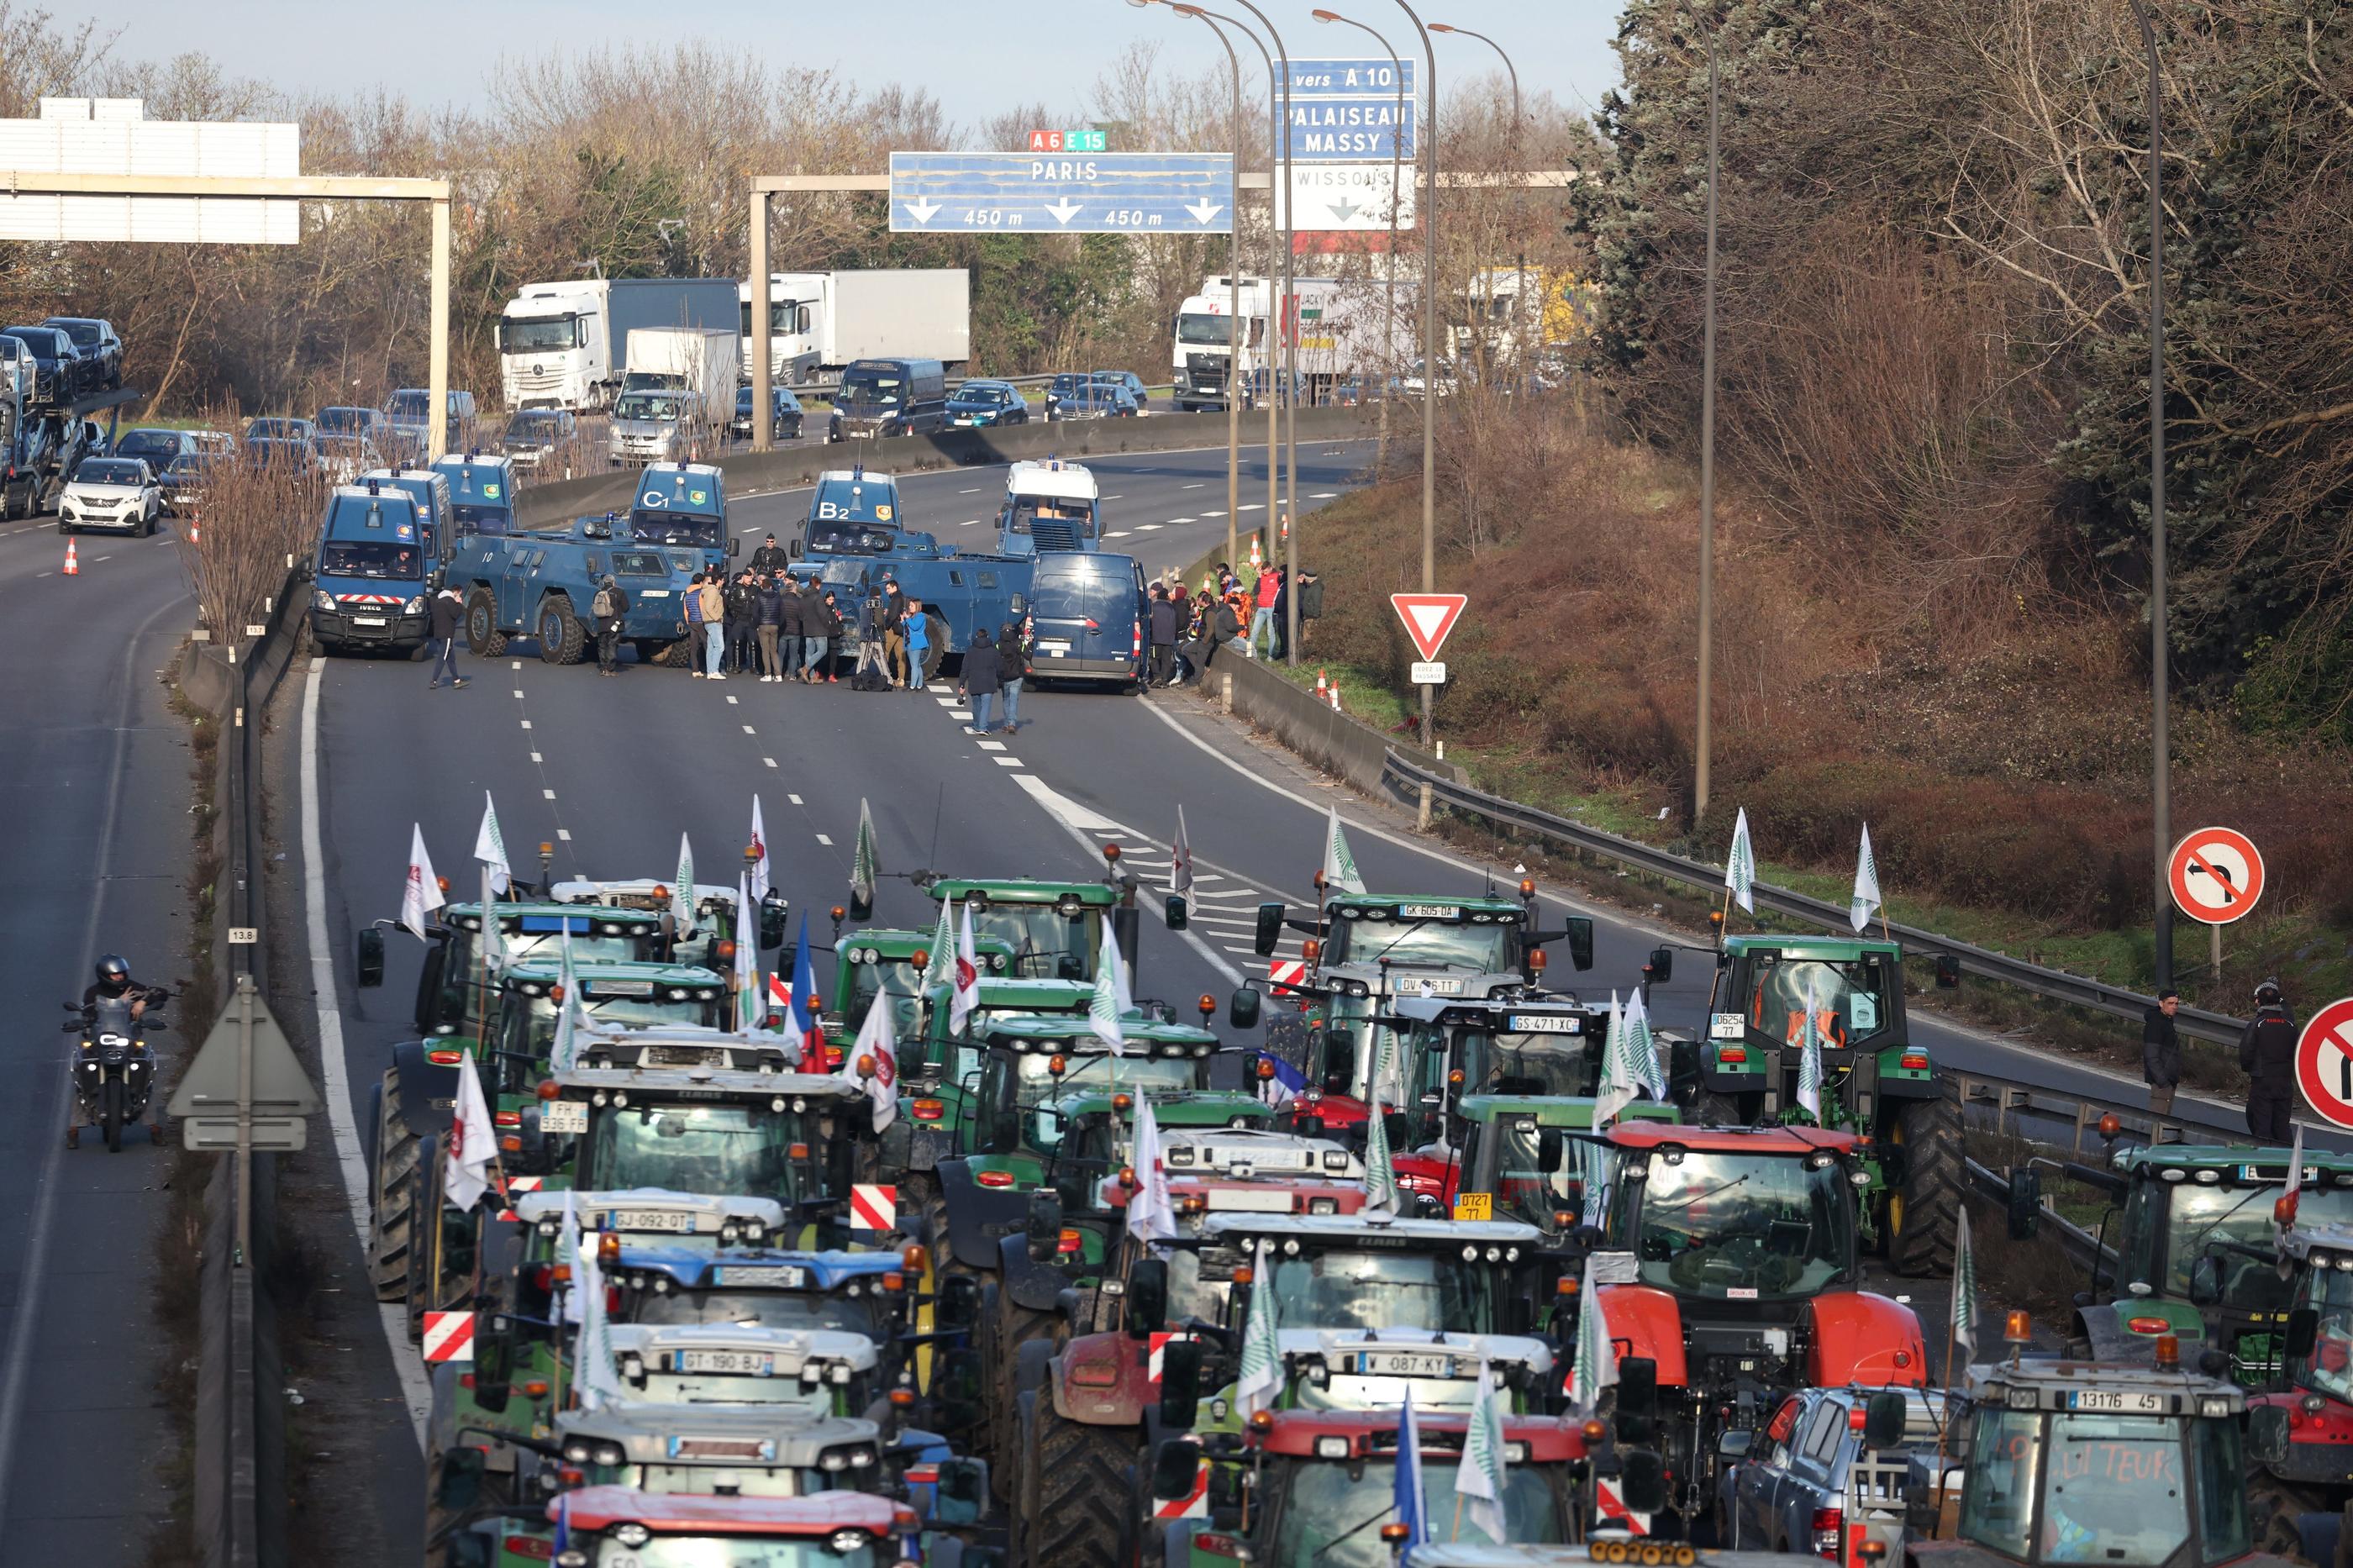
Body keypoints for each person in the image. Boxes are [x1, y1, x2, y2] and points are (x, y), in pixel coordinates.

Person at [71, 955, 156, 1148]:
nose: (120, 977)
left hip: (127, 1041)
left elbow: (159, 992)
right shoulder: (93, 992)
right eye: (115, 974)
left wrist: (144, 1001)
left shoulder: (131, 987)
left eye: (122, 973)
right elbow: (89, 1012)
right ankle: (74, 1129)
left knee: (145, 1073)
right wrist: (120, 1001)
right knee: (83, 1074)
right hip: (99, 1042)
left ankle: (154, 1127)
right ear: (104, 975)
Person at [2240, 979, 2298, 1142]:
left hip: (2262, 1081)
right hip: (2285, 1082)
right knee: (2282, 1126)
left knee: (2261, 1127)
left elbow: (2246, 1053)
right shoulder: (2291, 1025)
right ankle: (2289, 1162)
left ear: (2259, 1001)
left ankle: (2264, 1164)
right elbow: (2298, 1052)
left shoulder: (2257, 1024)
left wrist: (2249, 1069)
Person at [2142, 988, 2182, 1118]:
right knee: (2157, 1122)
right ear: (2161, 1004)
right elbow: (2151, 1056)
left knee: (2164, 1121)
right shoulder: (2156, 1024)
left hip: (2168, 1080)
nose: (2174, 1007)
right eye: (2170, 1003)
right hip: (2161, 1082)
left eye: (2176, 1003)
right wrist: (2163, 1081)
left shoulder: (2167, 1021)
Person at [962, 627, 1003, 734]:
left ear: (976, 636)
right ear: (988, 637)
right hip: (989, 683)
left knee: (976, 706)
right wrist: (1000, 680)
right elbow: (999, 668)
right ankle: (983, 728)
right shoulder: (994, 651)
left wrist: (961, 684)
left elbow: (965, 669)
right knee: (986, 705)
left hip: (974, 682)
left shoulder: (970, 650)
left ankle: (976, 725)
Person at [427, 582, 467, 689]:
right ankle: (434, 680)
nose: (460, 596)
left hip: (438, 633)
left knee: (451, 658)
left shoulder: (439, 600)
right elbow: (455, 614)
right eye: (460, 594)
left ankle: (457, 680)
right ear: (456, 592)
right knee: (443, 657)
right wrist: (459, 604)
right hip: (447, 634)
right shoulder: (449, 601)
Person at [592, 572, 629, 677]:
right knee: (612, 646)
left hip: (601, 625)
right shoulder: (619, 592)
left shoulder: (598, 593)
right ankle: (610, 669)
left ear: (604, 582)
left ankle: (603, 669)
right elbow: (626, 608)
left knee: (602, 646)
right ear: (613, 582)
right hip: (615, 625)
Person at [724, 569, 758, 676]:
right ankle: (736, 665)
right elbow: (731, 604)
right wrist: (735, 615)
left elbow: (759, 604)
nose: (749, 580)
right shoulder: (736, 589)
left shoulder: (756, 589)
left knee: (753, 643)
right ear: (743, 578)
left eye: (751, 578)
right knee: (737, 642)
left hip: (751, 620)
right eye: (747, 578)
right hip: (739, 619)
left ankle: (753, 666)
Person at [997, 618, 1029, 731]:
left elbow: (995, 658)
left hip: (1004, 676)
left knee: (1006, 699)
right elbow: (1028, 655)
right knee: (1014, 699)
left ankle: (1006, 723)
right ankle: (1012, 723)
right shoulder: (1018, 643)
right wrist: (1028, 644)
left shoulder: (998, 644)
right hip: (1017, 675)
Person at [855, 582, 887, 688]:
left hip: (864, 636)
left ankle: (858, 680)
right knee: (881, 660)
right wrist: (883, 615)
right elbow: (878, 622)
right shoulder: (878, 603)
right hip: (875, 637)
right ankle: (888, 680)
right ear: (878, 595)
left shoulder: (864, 604)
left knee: (863, 660)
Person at [754, 571, 784, 681]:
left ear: (762, 586)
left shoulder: (759, 597)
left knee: (765, 650)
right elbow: (783, 613)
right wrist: (778, 623)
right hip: (775, 625)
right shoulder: (777, 596)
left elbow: (755, 613)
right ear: (771, 586)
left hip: (763, 625)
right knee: (774, 651)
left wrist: (757, 624)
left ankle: (768, 674)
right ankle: (778, 674)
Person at [697, 573, 728, 679]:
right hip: (713, 622)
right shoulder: (713, 591)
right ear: (719, 580)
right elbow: (709, 607)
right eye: (723, 580)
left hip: (709, 622)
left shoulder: (710, 590)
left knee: (711, 647)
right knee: (720, 646)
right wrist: (717, 618)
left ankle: (710, 671)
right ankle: (714, 670)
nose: (723, 582)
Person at [882, 576, 908, 688]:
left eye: (888, 588)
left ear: (894, 588)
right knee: (900, 654)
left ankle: (884, 676)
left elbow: (893, 615)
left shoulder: (896, 598)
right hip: (901, 628)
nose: (887, 591)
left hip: (894, 628)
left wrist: (886, 627)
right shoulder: (902, 597)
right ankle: (901, 679)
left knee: (885, 651)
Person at [1148, 585, 1177, 688]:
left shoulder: (1154, 607)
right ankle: (1164, 679)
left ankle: (1157, 676)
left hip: (1156, 638)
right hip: (1168, 639)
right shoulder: (1171, 608)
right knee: (1166, 660)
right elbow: (1174, 623)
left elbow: (1150, 621)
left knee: (1153, 657)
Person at [808, 589, 840, 683]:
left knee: (834, 656)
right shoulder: (822, 608)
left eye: (833, 600)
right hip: (825, 633)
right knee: (824, 656)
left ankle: (831, 674)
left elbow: (836, 621)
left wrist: (839, 618)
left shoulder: (835, 608)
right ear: (825, 599)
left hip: (834, 634)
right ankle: (819, 672)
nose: (831, 602)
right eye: (829, 599)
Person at [1250, 560, 1280, 658]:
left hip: (1272, 608)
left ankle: (1270, 655)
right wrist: (1259, 576)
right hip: (1261, 608)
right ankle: (1250, 653)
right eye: (1263, 572)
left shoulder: (1277, 576)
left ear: (1271, 568)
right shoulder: (1261, 577)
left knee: (1270, 632)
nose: (1265, 573)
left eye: (1266, 571)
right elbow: (1255, 591)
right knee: (1254, 631)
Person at [685, 570, 709, 677]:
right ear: (701, 583)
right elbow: (702, 607)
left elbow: (686, 611)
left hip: (692, 621)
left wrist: (689, 621)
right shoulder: (701, 594)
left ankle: (695, 669)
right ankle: (709, 667)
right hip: (700, 621)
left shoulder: (688, 595)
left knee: (694, 646)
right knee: (707, 643)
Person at [904, 598, 930, 691]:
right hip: (911, 643)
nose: (910, 607)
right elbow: (908, 627)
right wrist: (904, 620)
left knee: (914, 665)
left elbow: (915, 627)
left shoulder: (920, 616)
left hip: (916, 644)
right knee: (917, 665)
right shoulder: (913, 617)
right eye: (909, 606)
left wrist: (907, 619)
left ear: (917, 606)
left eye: (912, 606)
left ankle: (912, 686)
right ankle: (919, 685)